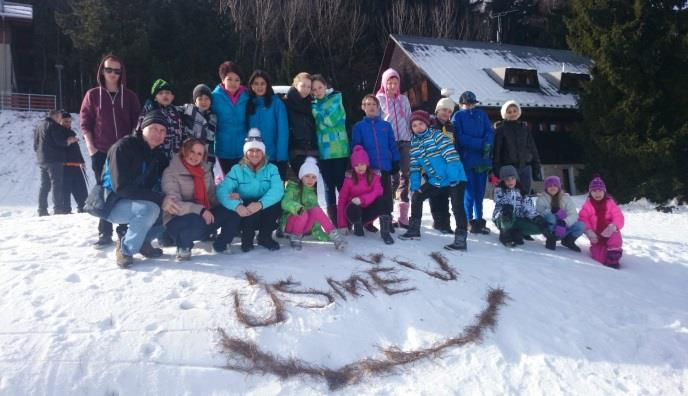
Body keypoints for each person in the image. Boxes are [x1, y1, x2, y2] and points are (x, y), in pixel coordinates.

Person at [79, 54, 141, 247]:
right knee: (104, 191)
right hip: (101, 151)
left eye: (117, 70)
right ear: (102, 71)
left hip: (123, 152)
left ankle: (123, 230)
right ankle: (104, 232)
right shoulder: (93, 95)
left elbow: (136, 122)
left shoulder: (129, 96)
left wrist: (130, 144)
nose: (113, 74)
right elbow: (85, 122)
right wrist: (91, 147)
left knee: (124, 190)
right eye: (109, 70)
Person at [100, 111, 174, 268]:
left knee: (171, 205)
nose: (158, 134)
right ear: (142, 127)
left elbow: (170, 178)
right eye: (154, 128)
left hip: (135, 201)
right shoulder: (123, 148)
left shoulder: (157, 154)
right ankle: (125, 247)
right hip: (110, 204)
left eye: (162, 131)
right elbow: (121, 188)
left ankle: (143, 242)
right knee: (150, 209)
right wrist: (160, 199)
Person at [399, 111, 468, 251]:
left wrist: (453, 177)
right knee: (417, 196)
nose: (418, 127)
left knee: (457, 206)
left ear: (427, 124)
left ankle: (460, 240)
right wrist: (416, 185)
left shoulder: (438, 136)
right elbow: (415, 167)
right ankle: (414, 230)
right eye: (414, 125)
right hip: (438, 181)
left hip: (455, 178)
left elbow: (451, 155)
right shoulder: (415, 144)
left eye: (421, 124)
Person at [161, 138, 241, 260]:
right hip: (176, 219)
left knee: (234, 207)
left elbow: (212, 197)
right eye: (192, 151)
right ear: (184, 150)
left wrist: (227, 198)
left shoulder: (205, 171)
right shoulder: (171, 172)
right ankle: (184, 246)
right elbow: (174, 205)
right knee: (196, 220)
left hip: (203, 215)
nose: (195, 156)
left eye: (199, 154)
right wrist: (200, 210)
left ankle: (221, 245)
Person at [216, 129, 284, 252]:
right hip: (245, 212)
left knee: (275, 205)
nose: (254, 154)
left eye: (258, 150)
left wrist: (260, 204)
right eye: (251, 150)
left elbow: (278, 190)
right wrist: (236, 206)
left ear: (263, 153)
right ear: (245, 153)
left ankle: (265, 237)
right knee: (250, 202)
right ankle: (247, 239)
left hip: (264, 210)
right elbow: (222, 190)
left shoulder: (272, 169)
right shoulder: (237, 169)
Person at [351, 94, 400, 236]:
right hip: (369, 169)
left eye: (374, 104)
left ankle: (387, 221)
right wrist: (359, 165)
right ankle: (368, 222)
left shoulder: (385, 125)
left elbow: (392, 144)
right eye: (368, 104)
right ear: (363, 107)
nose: (371, 107)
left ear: (378, 107)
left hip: (385, 166)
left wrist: (395, 160)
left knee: (386, 194)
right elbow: (356, 147)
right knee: (370, 196)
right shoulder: (358, 127)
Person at [281, 157, 346, 250]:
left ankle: (334, 236)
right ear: (301, 176)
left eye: (313, 177)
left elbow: (317, 217)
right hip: (289, 226)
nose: (310, 180)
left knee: (316, 209)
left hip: (304, 228)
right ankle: (294, 237)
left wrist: (322, 236)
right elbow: (285, 202)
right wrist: (296, 208)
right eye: (307, 176)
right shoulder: (293, 188)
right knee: (303, 212)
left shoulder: (312, 193)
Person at [452, 91, 494, 235]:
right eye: (466, 104)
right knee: (468, 193)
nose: (470, 106)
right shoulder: (457, 116)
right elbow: (461, 138)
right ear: (460, 104)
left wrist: (488, 142)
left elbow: (489, 131)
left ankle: (479, 221)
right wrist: (481, 144)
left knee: (479, 193)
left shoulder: (482, 114)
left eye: (472, 103)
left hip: (482, 159)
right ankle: (468, 220)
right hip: (467, 159)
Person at [310, 74, 350, 224]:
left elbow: (329, 121)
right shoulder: (313, 104)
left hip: (339, 149)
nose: (318, 91)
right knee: (328, 186)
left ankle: (346, 217)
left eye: (320, 87)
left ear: (326, 86)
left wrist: (317, 112)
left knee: (341, 184)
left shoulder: (336, 99)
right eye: (314, 89)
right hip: (324, 150)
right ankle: (333, 220)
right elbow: (319, 124)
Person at [376, 68, 412, 229]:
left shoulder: (404, 99)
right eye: (389, 83)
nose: (392, 86)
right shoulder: (380, 98)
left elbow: (409, 118)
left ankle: (403, 217)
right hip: (388, 143)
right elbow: (378, 120)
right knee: (391, 178)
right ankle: (387, 215)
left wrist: (411, 136)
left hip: (404, 141)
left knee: (405, 176)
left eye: (395, 83)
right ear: (385, 83)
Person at [337, 146, 390, 244]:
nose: (360, 167)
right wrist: (342, 224)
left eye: (362, 164)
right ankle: (358, 227)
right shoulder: (348, 179)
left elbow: (378, 191)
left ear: (367, 164)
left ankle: (385, 233)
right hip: (354, 212)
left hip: (368, 211)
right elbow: (341, 201)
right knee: (352, 206)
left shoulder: (374, 176)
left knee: (383, 201)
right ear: (353, 166)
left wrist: (362, 199)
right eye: (356, 165)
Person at [492, 165, 554, 248]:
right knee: (507, 213)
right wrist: (507, 207)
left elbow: (528, 207)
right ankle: (505, 236)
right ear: (503, 181)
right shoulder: (499, 190)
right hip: (502, 219)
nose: (510, 181)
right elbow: (500, 200)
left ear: (516, 179)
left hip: (517, 219)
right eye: (507, 179)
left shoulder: (521, 192)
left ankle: (516, 232)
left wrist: (537, 218)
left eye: (512, 178)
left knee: (539, 227)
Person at [246, 70, 289, 180]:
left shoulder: (276, 103)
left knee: (275, 193)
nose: (259, 87)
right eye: (256, 83)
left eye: (262, 83)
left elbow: (283, 131)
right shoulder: (249, 104)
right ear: (251, 86)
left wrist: (281, 156)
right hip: (254, 158)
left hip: (273, 157)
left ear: (267, 85)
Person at [493, 100, 542, 195]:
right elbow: (497, 151)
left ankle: (525, 210)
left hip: (525, 166)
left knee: (524, 193)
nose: (512, 114)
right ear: (505, 113)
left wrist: (536, 166)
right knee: (511, 194)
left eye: (515, 111)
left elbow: (532, 148)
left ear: (518, 112)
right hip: (509, 167)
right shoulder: (501, 129)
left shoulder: (524, 128)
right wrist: (496, 170)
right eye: (509, 112)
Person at [34, 110, 75, 216]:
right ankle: (58, 208)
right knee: (56, 184)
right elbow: (60, 142)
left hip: (42, 159)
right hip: (54, 160)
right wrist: (69, 141)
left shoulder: (39, 125)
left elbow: (35, 144)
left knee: (44, 185)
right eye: (59, 117)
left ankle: (42, 210)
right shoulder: (54, 126)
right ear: (55, 116)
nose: (60, 119)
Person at [578, 176, 625, 269]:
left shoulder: (610, 203)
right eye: (594, 191)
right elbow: (583, 218)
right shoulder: (588, 205)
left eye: (600, 190)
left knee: (615, 236)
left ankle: (614, 256)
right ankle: (604, 254)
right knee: (599, 258)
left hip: (609, 231)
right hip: (596, 235)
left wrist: (613, 226)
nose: (597, 193)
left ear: (604, 191)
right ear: (590, 193)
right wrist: (589, 231)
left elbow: (618, 216)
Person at [212, 61, 249, 175]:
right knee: (225, 186)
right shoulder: (214, 97)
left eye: (237, 80)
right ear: (223, 80)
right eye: (229, 79)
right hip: (222, 150)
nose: (233, 83)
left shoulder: (247, 96)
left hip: (242, 151)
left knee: (241, 186)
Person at [428, 95, 457, 234]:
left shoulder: (451, 127)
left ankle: (445, 223)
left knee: (445, 195)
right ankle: (438, 221)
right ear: (437, 110)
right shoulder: (431, 125)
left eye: (449, 111)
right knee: (435, 194)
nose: (446, 113)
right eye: (444, 110)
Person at [139, 79, 185, 160]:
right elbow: (140, 129)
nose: (164, 95)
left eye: (167, 93)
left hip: (175, 155)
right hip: (156, 155)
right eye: (160, 93)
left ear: (172, 97)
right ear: (155, 98)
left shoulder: (176, 111)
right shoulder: (150, 110)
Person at [536, 175, 585, 251]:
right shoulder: (541, 199)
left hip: (564, 228)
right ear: (546, 188)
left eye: (555, 185)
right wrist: (551, 211)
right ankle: (551, 238)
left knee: (581, 225)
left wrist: (564, 222)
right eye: (550, 186)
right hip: (550, 229)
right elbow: (539, 213)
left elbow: (573, 214)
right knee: (551, 217)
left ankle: (568, 241)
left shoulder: (566, 198)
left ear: (559, 187)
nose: (552, 187)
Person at [284, 72, 318, 175]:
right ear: (295, 85)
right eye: (303, 85)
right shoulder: (286, 103)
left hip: (311, 150)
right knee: (295, 186)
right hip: (294, 151)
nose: (306, 89)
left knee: (311, 186)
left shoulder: (311, 104)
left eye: (309, 87)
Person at [178, 84, 218, 170]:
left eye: (207, 99)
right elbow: (173, 110)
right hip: (190, 156)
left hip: (207, 157)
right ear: (195, 101)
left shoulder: (213, 117)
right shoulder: (188, 111)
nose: (204, 102)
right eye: (200, 99)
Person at [60, 112, 88, 213]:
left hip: (76, 165)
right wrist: (67, 142)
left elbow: (77, 149)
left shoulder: (72, 132)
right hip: (65, 165)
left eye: (69, 121)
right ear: (60, 121)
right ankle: (65, 209)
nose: (68, 123)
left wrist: (82, 161)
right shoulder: (58, 132)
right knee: (65, 190)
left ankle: (83, 207)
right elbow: (58, 146)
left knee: (81, 188)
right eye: (66, 121)